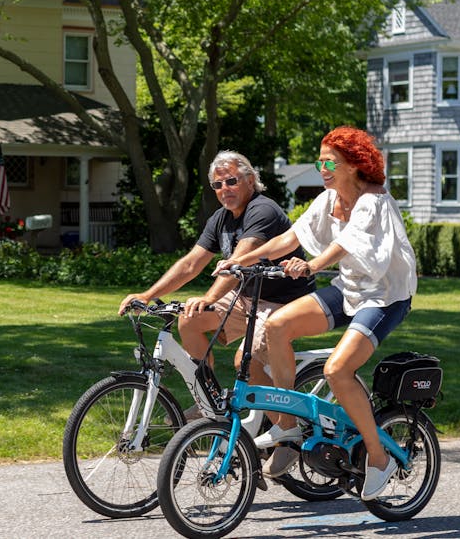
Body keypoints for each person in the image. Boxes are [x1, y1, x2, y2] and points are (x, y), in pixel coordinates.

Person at [217, 126, 417, 500]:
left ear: (355, 166)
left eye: (331, 162)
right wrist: (238, 261)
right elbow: (287, 239)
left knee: (338, 370)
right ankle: (290, 427)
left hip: (386, 296)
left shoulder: (374, 200)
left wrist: (311, 266)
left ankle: (378, 458)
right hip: (350, 289)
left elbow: (344, 245)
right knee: (277, 325)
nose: (323, 168)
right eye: (320, 160)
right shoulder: (327, 200)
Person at [118, 150, 315, 415]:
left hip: (282, 302)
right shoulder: (221, 218)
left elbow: (239, 262)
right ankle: (209, 403)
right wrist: (147, 294)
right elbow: (191, 263)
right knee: (190, 319)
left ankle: (285, 431)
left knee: (246, 364)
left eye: (231, 181)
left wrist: (210, 298)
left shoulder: (262, 210)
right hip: (246, 298)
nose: (225, 189)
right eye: (218, 185)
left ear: (250, 179)